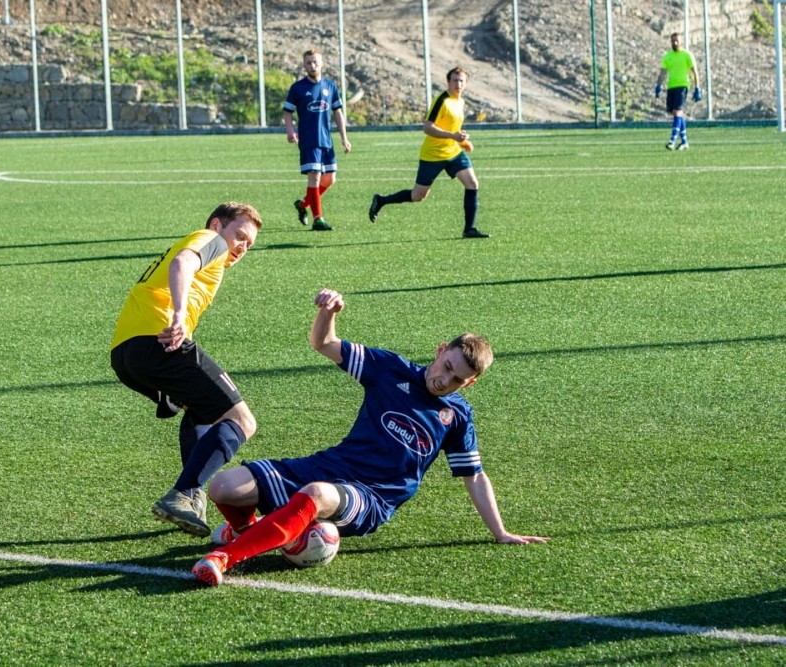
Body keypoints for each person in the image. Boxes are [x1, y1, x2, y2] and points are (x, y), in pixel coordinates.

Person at [192, 288, 546, 586]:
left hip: (372, 497)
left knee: (315, 494)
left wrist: (500, 532)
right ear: (440, 351)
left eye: (458, 380)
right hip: (331, 465)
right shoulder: (390, 369)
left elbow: (474, 476)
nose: (444, 380)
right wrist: (329, 312)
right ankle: (247, 530)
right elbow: (324, 343)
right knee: (223, 487)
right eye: (447, 366)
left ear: (471, 383)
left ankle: (224, 557)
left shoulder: (456, 416)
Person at [111, 202, 263, 538]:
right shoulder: (212, 240)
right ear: (217, 224)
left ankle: (192, 495)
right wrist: (179, 316)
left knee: (202, 410)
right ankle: (183, 493)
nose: (242, 247)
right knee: (242, 421)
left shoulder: (212, 253)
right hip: (160, 341)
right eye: (240, 235)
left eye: (249, 244)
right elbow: (182, 262)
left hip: (126, 354)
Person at [368, 67, 488, 239]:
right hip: (433, 155)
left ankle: (469, 229)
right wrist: (453, 136)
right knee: (418, 196)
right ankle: (381, 200)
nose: (458, 84)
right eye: (455, 80)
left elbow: (451, 126)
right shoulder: (442, 101)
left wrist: (462, 142)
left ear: (466, 84)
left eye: (461, 81)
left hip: (453, 152)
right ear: (448, 82)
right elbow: (428, 127)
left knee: (472, 183)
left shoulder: (460, 101)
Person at [284, 48, 351, 232]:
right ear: (304, 65)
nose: (312, 66)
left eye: (315, 62)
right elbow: (287, 112)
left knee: (330, 179)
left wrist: (344, 138)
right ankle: (318, 219)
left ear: (322, 64)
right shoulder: (298, 88)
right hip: (309, 140)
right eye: (309, 63)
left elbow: (338, 112)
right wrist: (290, 131)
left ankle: (303, 204)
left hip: (326, 140)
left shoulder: (330, 86)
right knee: (315, 177)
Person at [654, 32, 701, 151]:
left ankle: (672, 141)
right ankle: (684, 142)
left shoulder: (687, 55)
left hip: (682, 86)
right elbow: (663, 72)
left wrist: (697, 88)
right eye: (673, 41)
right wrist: (658, 85)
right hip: (671, 87)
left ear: (681, 42)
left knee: (677, 111)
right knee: (677, 114)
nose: (675, 43)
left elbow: (694, 71)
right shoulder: (668, 56)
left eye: (677, 41)